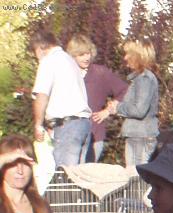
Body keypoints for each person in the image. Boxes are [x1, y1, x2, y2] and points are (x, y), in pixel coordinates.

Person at [29, 30, 92, 167]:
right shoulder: (69, 60)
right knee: (78, 178)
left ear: (39, 48)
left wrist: (38, 125)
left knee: (65, 179)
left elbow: (41, 95)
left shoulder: (48, 61)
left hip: (68, 128)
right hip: (83, 124)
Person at [97, 40, 159, 169]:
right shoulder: (140, 78)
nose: (125, 58)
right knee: (135, 179)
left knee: (136, 179)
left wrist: (117, 108)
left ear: (138, 57)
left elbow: (139, 110)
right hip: (138, 135)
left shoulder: (144, 79)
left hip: (140, 136)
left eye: (129, 54)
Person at [66, 34, 128, 163]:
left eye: (88, 53)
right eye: (81, 54)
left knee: (87, 177)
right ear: (72, 55)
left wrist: (108, 111)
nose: (86, 57)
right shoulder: (66, 74)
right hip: (70, 136)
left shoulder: (100, 73)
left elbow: (125, 90)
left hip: (94, 135)